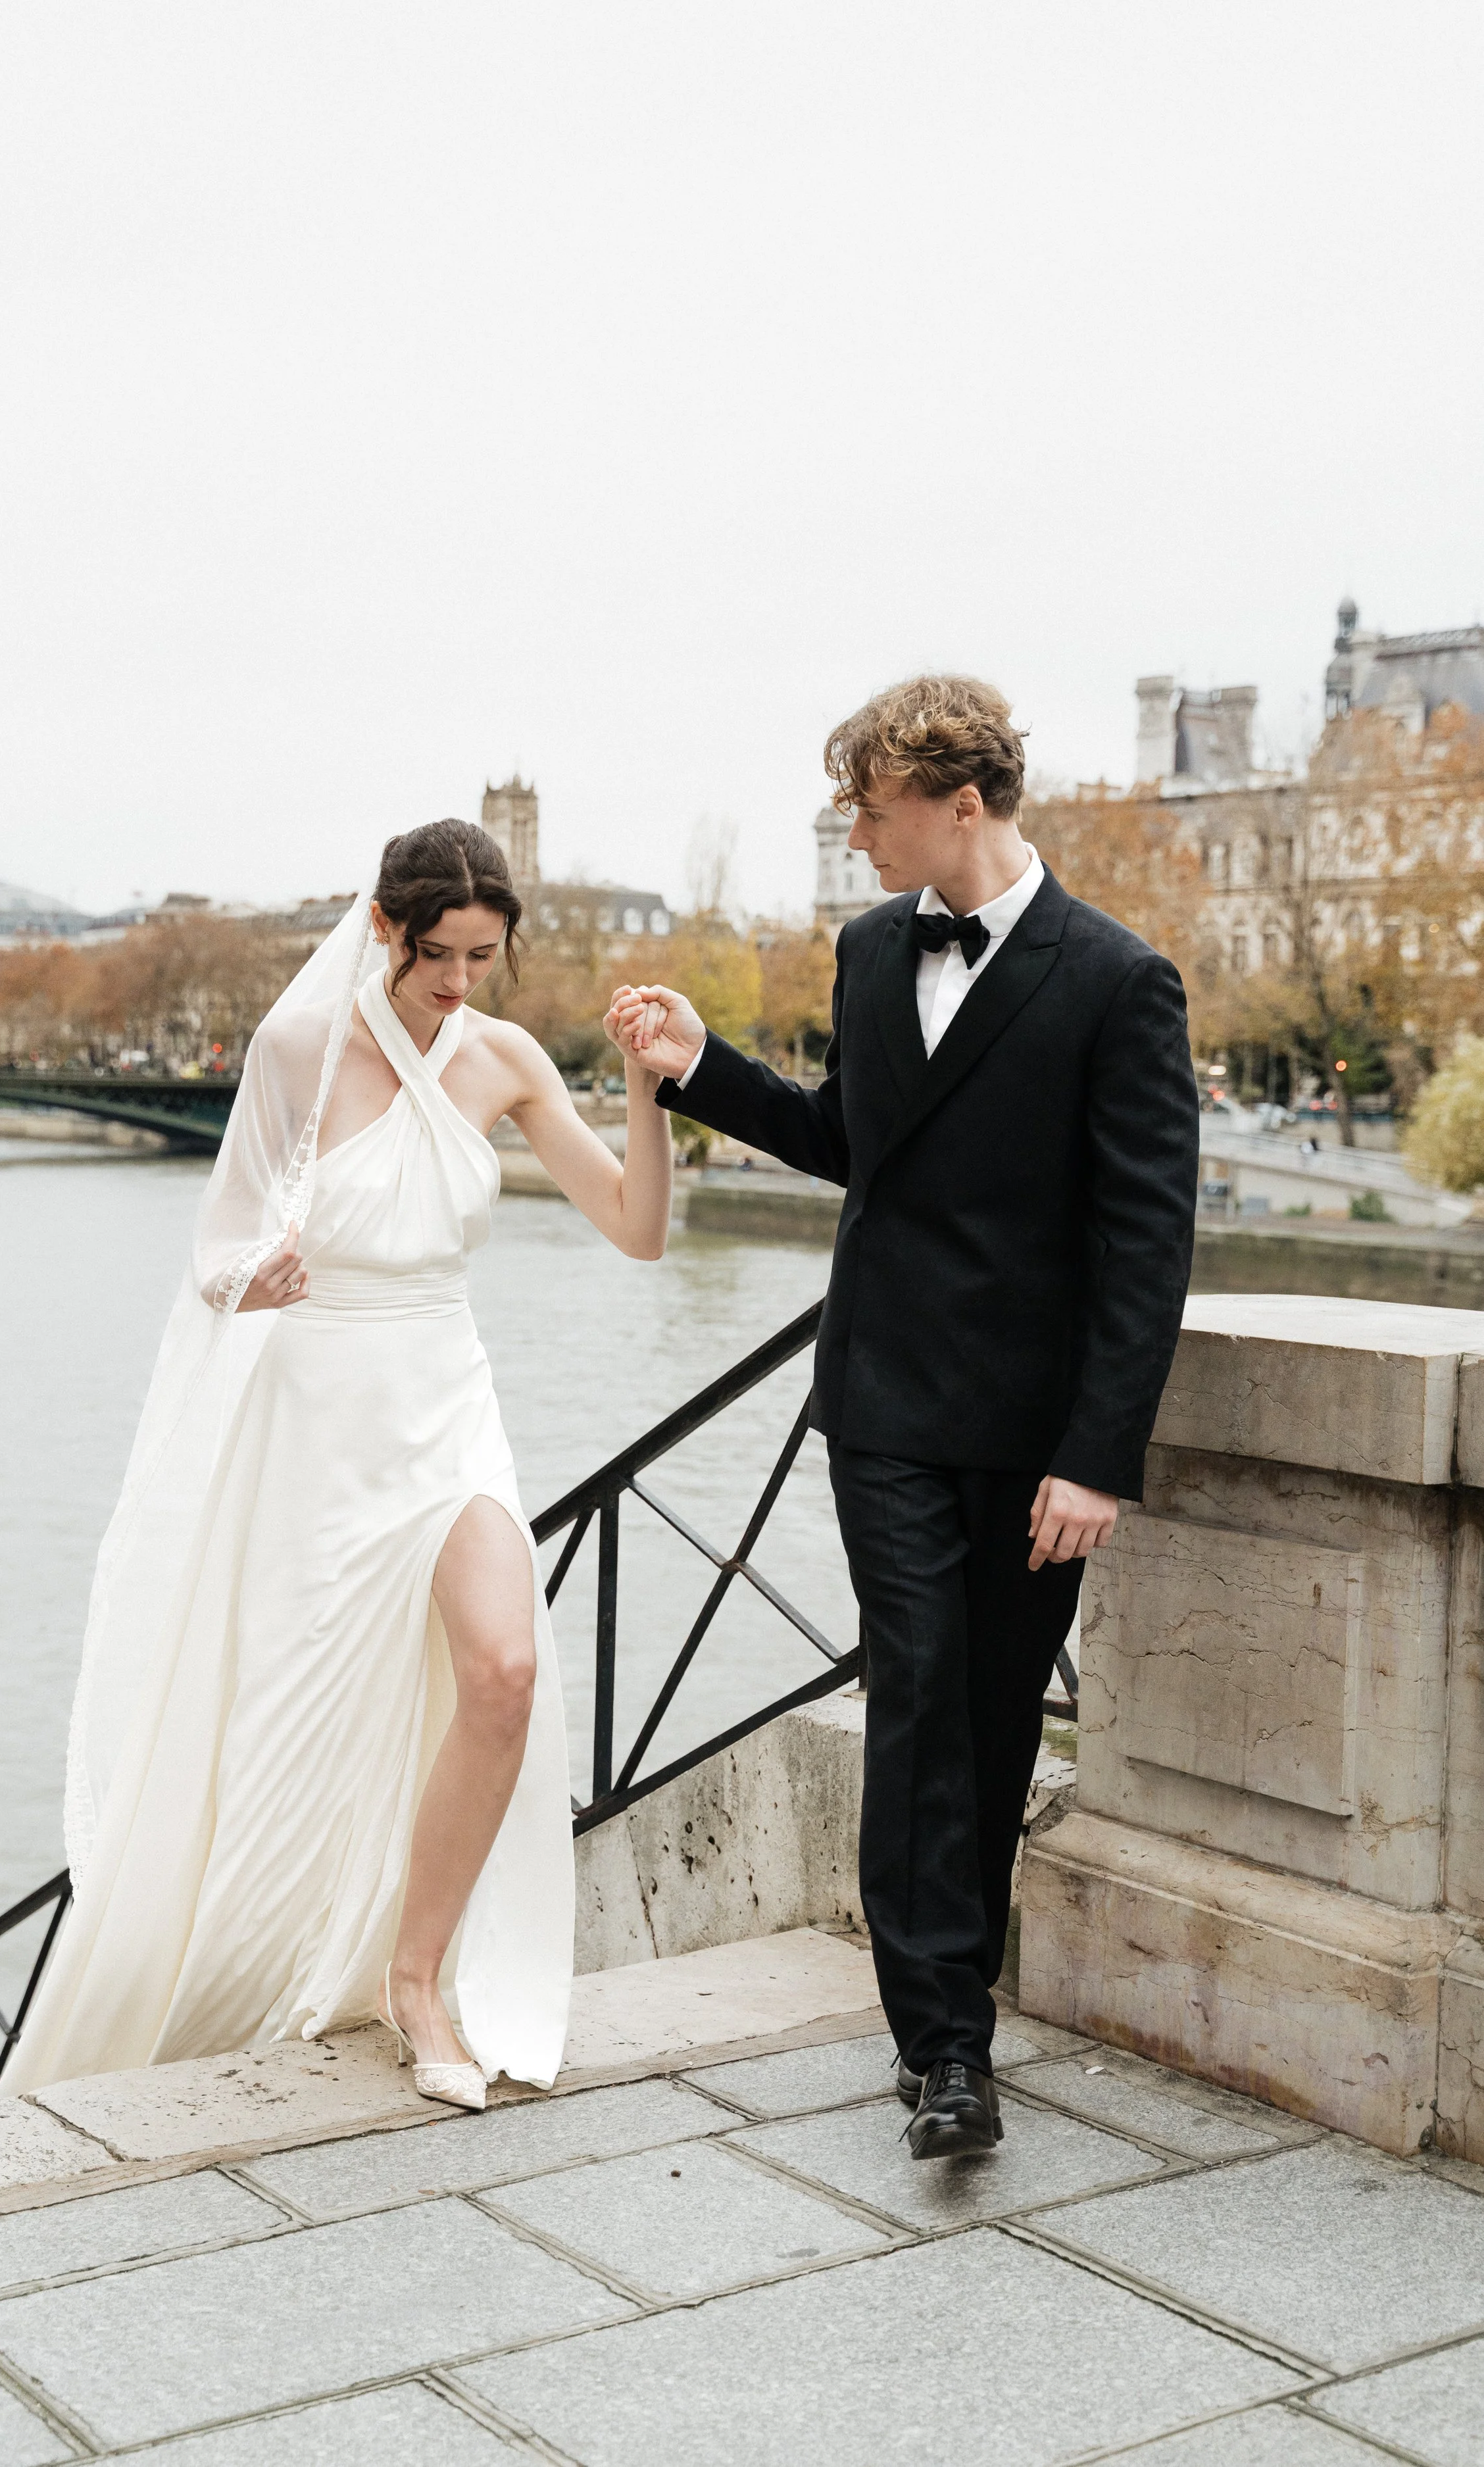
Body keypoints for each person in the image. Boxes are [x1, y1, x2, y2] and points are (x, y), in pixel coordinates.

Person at [609, 676, 1199, 2161]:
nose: (852, 832)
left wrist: (1093, 1454)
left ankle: (957, 2015)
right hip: (877, 1400)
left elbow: (1147, 1245)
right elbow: (851, 1142)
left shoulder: (1119, 982)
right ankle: (941, 2050)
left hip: (1025, 1433)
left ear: (958, 803)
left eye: (868, 808)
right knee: (919, 1687)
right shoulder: (869, 951)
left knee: (994, 1721)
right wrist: (702, 1071)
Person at [9, 820, 673, 2108]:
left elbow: (638, 1232)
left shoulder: (504, 1059)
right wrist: (251, 1276)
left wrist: (648, 1090)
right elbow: (216, 1243)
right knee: (285, 1727)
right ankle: (245, 1963)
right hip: (320, 1420)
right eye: (440, 957)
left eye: (484, 958)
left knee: (505, 1667)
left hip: (446, 1400)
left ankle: (415, 1978)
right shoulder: (298, 1052)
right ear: (385, 929)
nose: (460, 985)